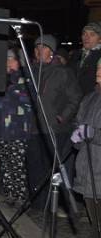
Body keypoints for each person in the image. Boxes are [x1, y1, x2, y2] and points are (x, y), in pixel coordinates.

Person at [25, 34, 82, 209]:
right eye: (36, 48)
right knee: (35, 166)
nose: (38, 51)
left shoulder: (63, 72)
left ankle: (59, 204)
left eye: (43, 47)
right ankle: (38, 205)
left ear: (51, 51)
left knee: (55, 168)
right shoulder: (30, 71)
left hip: (56, 129)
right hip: (34, 128)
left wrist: (62, 116)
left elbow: (75, 97)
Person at [0, 49, 35, 206]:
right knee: (6, 163)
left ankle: (21, 195)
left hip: (17, 130)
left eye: (11, 59)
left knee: (17, 164)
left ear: (20, 61)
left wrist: (12, 84)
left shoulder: (26, 79)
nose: (8, 62)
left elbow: (29, 99)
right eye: (6, 59)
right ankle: (10, 193)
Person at [71, 58, 101, 238]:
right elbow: (78, 121)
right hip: (87, 166)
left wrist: (94, 134)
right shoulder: (90, 97)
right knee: (95, 222)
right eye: (98, 67)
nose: (98, 71)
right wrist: (77, 136)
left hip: (99, 167)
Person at [70, 22, 101, 96]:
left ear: (100, 39)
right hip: (73, 100)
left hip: (91, 101)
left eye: (92, 34)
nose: (86, 37)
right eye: (84, 34)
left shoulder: (99, 56)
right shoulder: (75, 54)